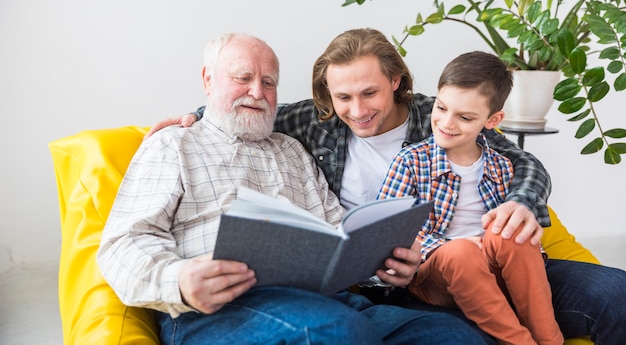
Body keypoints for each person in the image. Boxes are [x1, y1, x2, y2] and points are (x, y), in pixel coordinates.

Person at [147, 28, 626, 344]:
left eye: (370, 93)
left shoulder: (439, 114)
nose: (357, 110)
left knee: (614, 293)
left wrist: (523, 201)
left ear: (396, 82)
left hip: (492, 255)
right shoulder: (314, 123)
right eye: (343, 97)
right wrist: (200, 114)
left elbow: (522, 160)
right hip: (403, 278)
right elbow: (250, 105)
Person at [97, 32, 490, 345]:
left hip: (327, 301)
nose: (256, 91)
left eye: (268, 82)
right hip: (220, 309)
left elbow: (340, 233)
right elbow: (123, 242)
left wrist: (387, 262)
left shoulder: (292, 149)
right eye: (242, 78)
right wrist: (179, 281)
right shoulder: (173, 144)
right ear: (207, 80)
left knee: (453, 335)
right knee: (331, 331)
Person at [377, 51, 563, 345]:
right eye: (441, 108)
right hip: (436, 274)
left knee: (512, 233)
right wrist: (455, 245)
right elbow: (389, 228)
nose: (447, 123)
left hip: (490, 270)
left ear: (493, 120)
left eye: (464, 117)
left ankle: (550, 339)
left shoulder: (501, 166)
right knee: (461, 253)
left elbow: (508, 240)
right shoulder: (411, 161)